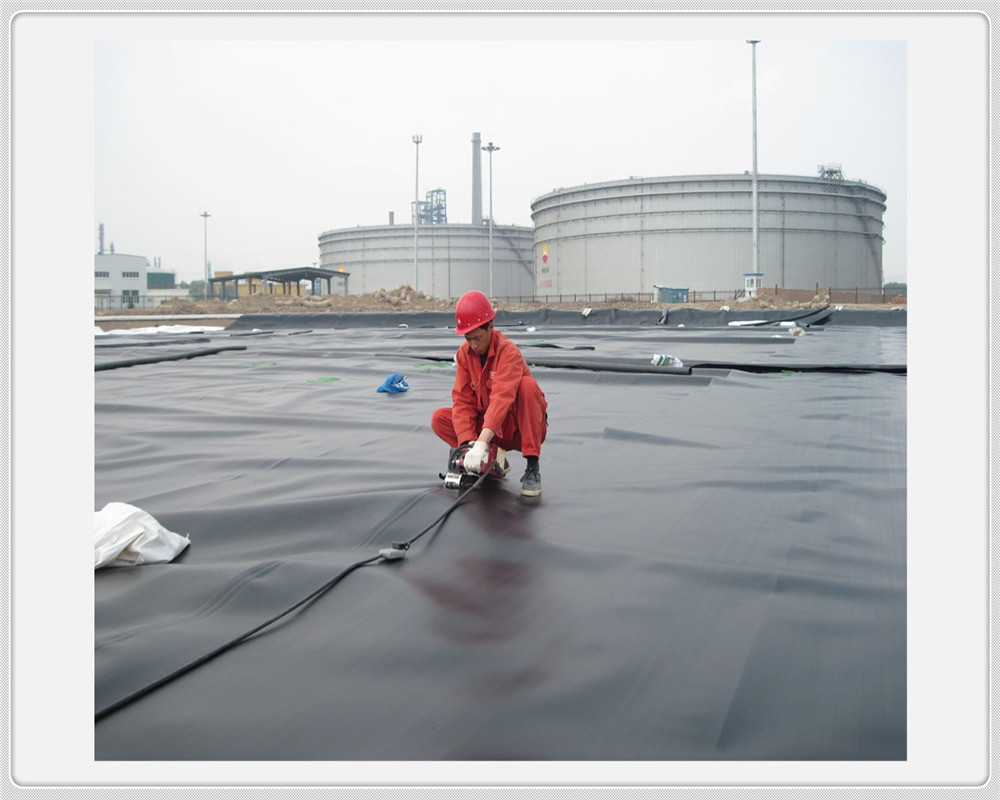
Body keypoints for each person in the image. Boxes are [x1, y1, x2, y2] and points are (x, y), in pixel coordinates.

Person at [431, 290, 548, 497]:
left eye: (477, 338)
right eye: (468, 339)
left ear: (490, 327)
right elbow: (462, 401)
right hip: (490, 431)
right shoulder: (464, 355)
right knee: (440, 418)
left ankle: (532, 466)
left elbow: (502, 398)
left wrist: (482, 442)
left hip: (516, 428)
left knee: (527, 387)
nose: (473, 345)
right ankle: (492, 460)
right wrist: (468, 445)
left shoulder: (508, 352)